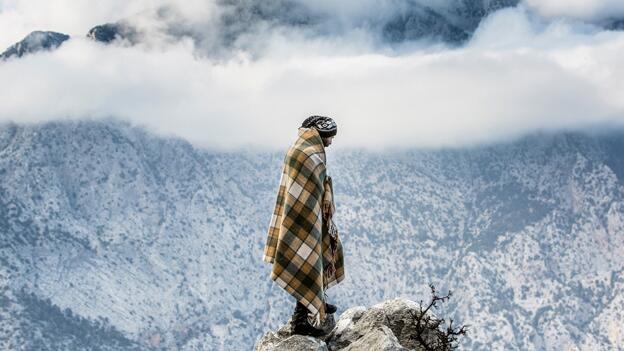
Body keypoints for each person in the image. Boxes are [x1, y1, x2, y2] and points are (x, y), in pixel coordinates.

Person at [263, 115, 345, 337]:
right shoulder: (308, 154)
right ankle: (301, 320)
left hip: (311, 218)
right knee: (306, 260)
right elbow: (306, 190)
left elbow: (315, 187)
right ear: (321, 135)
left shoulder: (303, 149)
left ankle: (315, 300)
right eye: (329, 137)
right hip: (303, 221)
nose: (331, 142)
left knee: (315, 257)